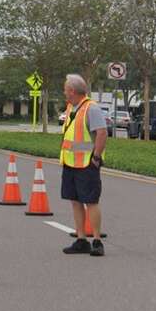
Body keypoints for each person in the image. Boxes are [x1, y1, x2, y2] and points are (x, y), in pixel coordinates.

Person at [60, 74, 107, 256]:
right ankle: (81, 239)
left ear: (72, 91)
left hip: (87, 163)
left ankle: (96, 241)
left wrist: (96, 157)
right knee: (75, 201)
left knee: (91, 202)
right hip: (71, 162)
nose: (64, 92)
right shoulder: (72, 107)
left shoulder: (91, 108)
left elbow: (101, 133)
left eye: (65, 89)